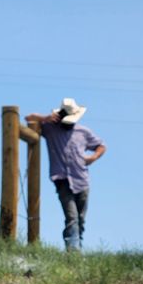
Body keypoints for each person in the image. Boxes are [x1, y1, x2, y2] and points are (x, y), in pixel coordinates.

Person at [26, 98, 106, 251]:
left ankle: (77, 249)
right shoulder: (50, 128)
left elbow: (101, 145)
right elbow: (29, 117)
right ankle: (72, 251)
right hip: (62, 180)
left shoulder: (83, 131)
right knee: (72, 217)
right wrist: (45, 118)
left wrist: (93, 157)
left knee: (80, 219)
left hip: (82, 179)